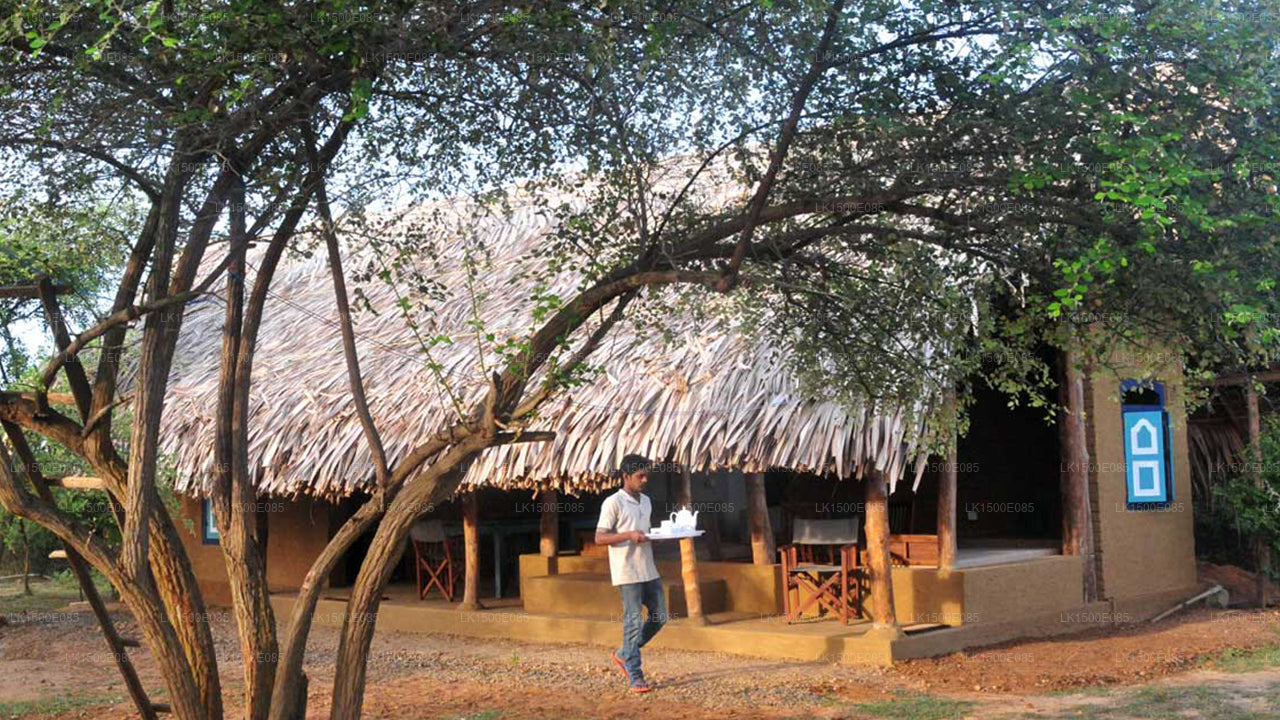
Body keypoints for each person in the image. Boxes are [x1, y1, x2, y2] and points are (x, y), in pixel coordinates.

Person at [594, 453, 665, 693]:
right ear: (626, 476)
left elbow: (643, 532)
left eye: (647, 476)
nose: (645, 480)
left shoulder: (646, 501)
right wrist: (628, 535)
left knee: (660, 617)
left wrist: (656, 537)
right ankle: (635, 676)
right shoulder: (613, 502)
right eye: (640, 476)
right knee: (633, 622)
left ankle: (625, 653)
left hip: (648, 568)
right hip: (627, 571)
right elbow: (600, 537)